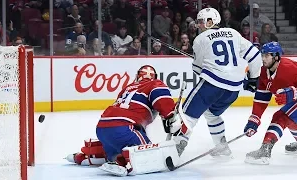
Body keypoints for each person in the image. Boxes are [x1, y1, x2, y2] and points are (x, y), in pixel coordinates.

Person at [65, 65, 191, 176]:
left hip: (102, 128)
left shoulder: (127, 88)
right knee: (148, 155)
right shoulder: (155, 84)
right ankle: (122, 162)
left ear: (137, 77)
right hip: (125, 127)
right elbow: (165, 105)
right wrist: (171, 117)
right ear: (154, 77)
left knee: (114, 149)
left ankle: (84, 157)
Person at [182, 7, 262, 158]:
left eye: (201, 22)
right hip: (233, 89)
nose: (198, 25)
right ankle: (222, 147)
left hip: (212, 84)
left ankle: (175, 149)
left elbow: (198, 69)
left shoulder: (200, 39)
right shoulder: (233, 33)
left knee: (187, 114)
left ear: (210, 21)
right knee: (211, 114)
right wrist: (253, 79)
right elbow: (255, 55)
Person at [244, 42, 297, 165]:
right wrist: (254, 119)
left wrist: (293, 93)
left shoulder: (289, 68)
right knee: (290, 118)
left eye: (267, 55)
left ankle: (265, 149)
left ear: (277, 56)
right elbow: (261, 98)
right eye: (262, 55)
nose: (263, 58)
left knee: (281, 117)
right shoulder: (263, 72)